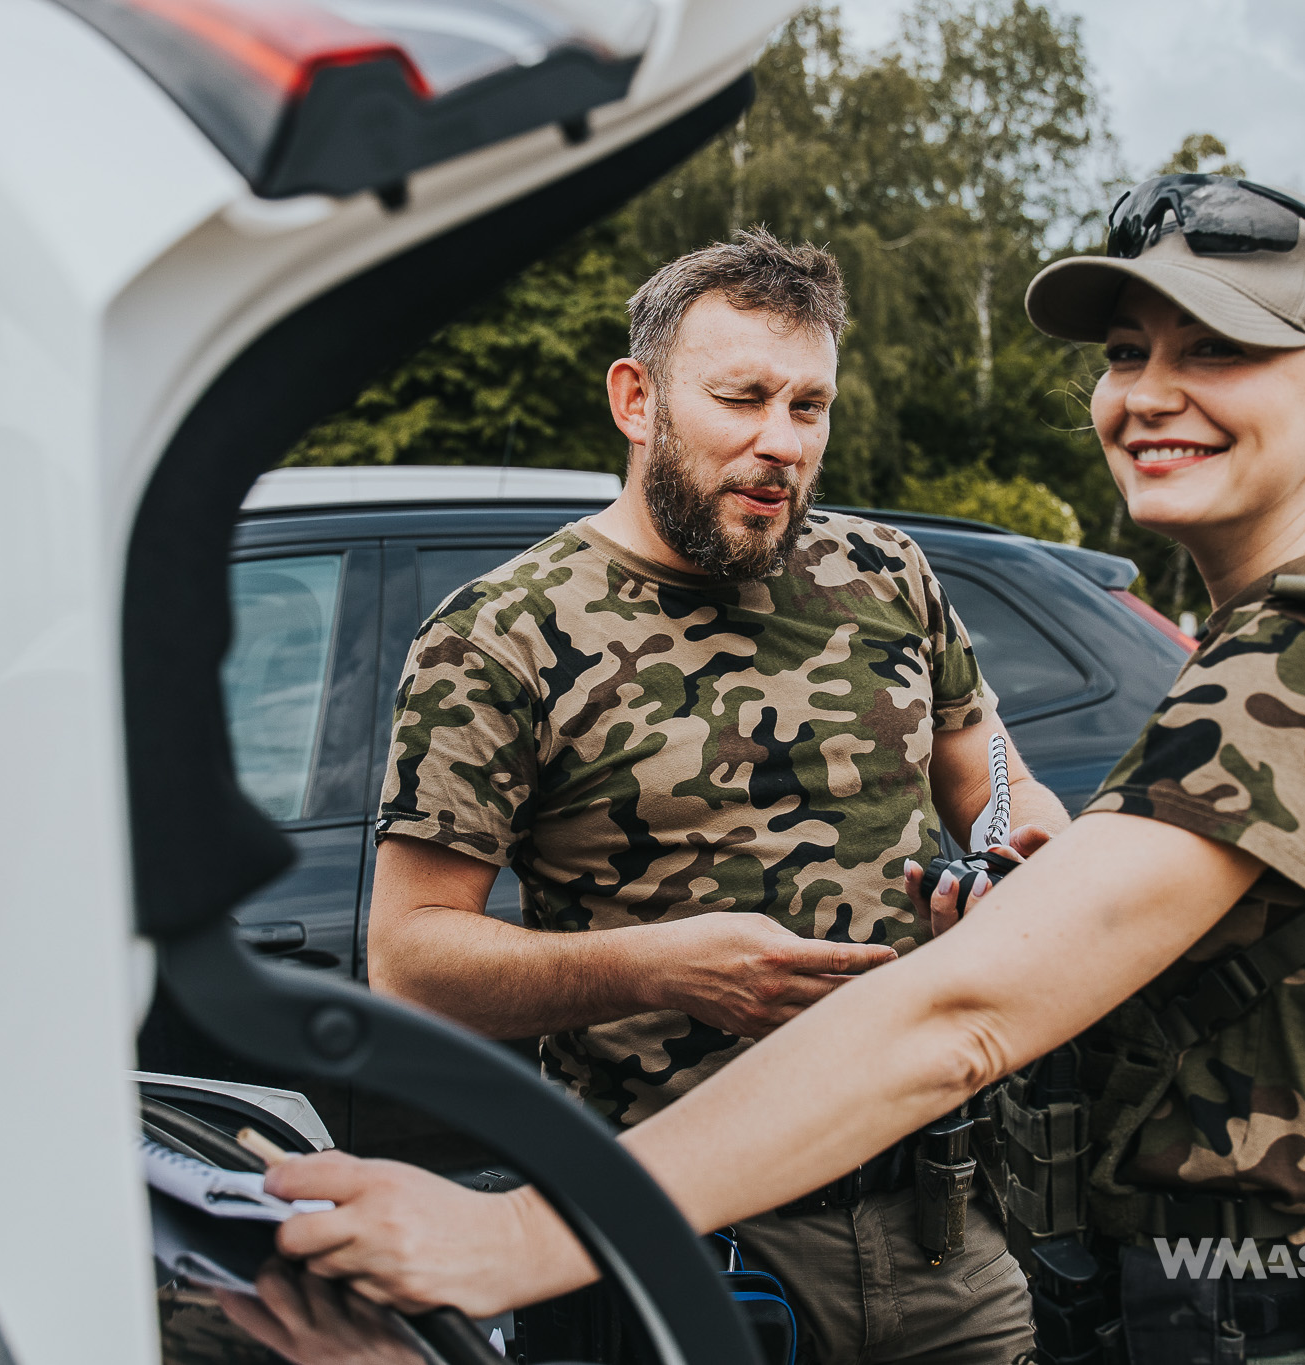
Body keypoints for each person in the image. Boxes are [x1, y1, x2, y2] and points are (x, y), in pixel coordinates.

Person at [241, 179, 1305, 1365]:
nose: (1147, 393)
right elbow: (410, 955)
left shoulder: (1302, 654)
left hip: (1167, 1287)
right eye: (1126, 354)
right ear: (636, 400)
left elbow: (960, 1012)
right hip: (758, 1237)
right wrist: (1007, 888)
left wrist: (526, 1231)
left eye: (1217, 350)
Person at [354, 228, 1067, 1364]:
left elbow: (1006, 792)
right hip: (674, 1238)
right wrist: (658, 966)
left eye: (807, 405)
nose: (779, 443)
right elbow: (409, 962)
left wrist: (1021, 864)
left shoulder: (885, 575)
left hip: (939, 1230)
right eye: (740, 398)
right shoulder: (500, 635)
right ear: (636, 400)